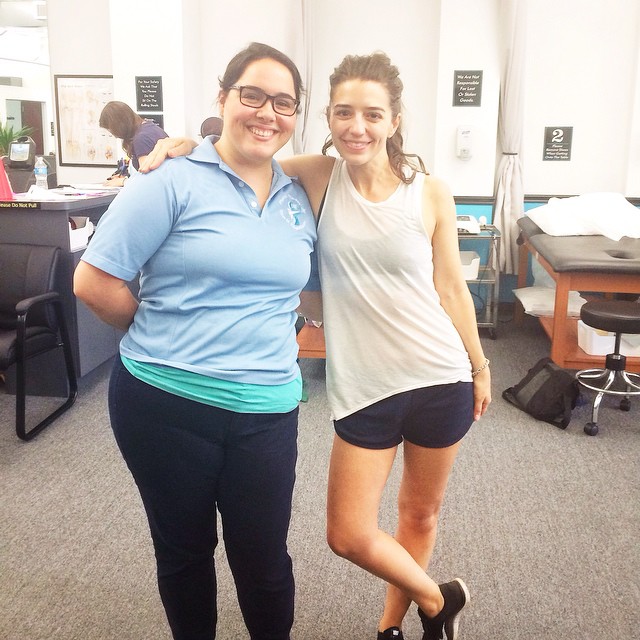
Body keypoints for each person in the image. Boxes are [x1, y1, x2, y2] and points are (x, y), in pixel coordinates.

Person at [144, 51, 491, 640]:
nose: (358, 127)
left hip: (441, 374)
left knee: (419, 514)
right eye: (344, 113)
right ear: (328, 118)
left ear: (395, 119)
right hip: (362, 385)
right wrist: (178, 144)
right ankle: (439, 599)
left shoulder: (430, 191)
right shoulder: (315, 175)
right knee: (349, 534)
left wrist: (480, 368)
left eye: (373, 114)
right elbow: (243, 147)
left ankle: (392, 627)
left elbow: (452, 288)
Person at [74, 43, 319, 640]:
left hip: (266, 411)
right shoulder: (171, 180)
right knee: (184, 552)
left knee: (264, 562)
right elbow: (93, 279)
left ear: (296, 115)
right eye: (251, 95)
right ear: (223, 98)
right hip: (163, 405)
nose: (267, 112)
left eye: (283, 103)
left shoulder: (301, 192)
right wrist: (157, 331)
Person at [99, 100, 169, 186]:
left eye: (112, 130)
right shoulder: (151, 128)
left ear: (119, 125)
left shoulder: (141, 139)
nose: (115, 135)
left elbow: (149, 180)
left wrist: (123, 182)